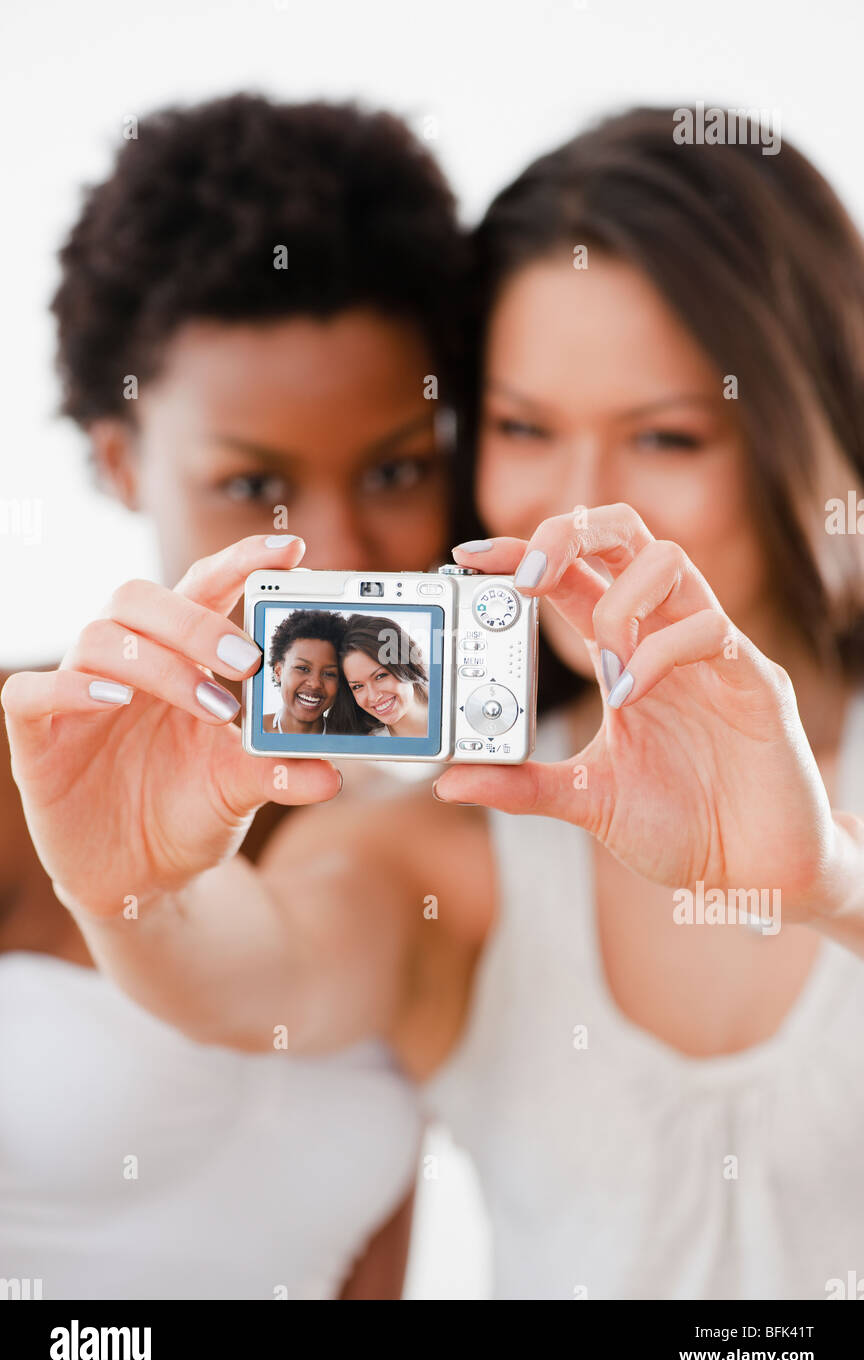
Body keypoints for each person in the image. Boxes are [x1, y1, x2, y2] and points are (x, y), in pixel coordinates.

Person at [7, 106, 864, 1300]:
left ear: (805, 428)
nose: (572, 509)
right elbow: (264, 974)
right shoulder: (458, 826)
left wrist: (833, 884)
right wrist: (133, 888)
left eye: (667, 435)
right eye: (522, 428)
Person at [0, 92, 473, 1299]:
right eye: (252, 480)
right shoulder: (25, 765)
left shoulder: (417, 844)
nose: (333, 549)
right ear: (119, 459)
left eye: (395, 468)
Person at [330, 615, 430, 736]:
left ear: (406, 663)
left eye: (380, 676)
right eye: (357, 686)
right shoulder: (365, 746)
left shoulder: (453, 706)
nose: (373, 697)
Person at [264, 611, 346, 734]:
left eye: (329, 674)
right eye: (303, 668)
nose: (315, 684)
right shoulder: (250, 732)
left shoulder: (350, 740)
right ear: (278, 671)